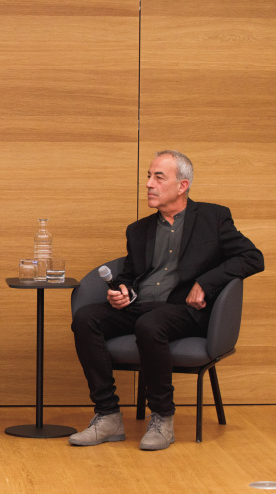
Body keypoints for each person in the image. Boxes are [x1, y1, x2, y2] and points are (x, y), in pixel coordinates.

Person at [70, 150, 264, 450]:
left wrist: (206, 282)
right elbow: (131, 275)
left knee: (150, 324)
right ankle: (107, 415)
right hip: (141, 306)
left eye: (158, 177)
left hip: (184, 309)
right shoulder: (138, 230)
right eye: (149, 176)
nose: (149, 183)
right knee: (85, 318)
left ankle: (162, 417)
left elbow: (253, 258)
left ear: (182, 186)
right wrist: (122, 291)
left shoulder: (213, 218)